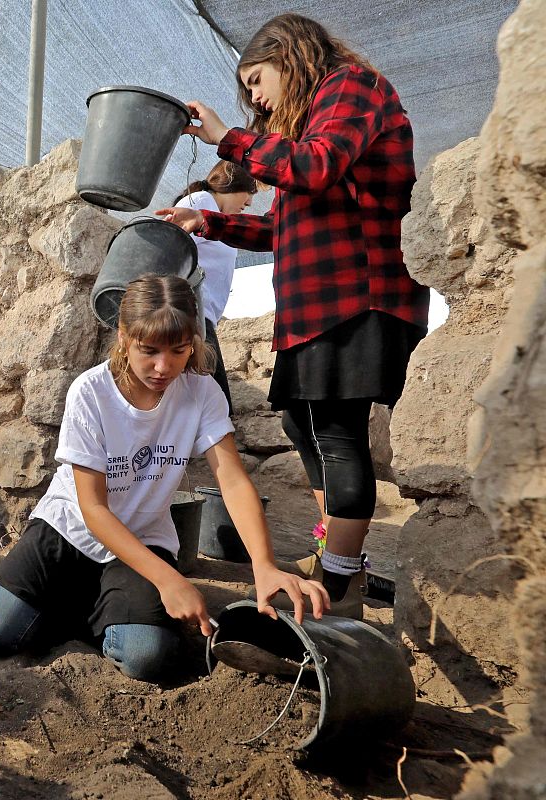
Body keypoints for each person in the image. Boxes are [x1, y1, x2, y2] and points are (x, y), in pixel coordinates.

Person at [154, 13, 430, 618]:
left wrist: (229, 138)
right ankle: (334, 558)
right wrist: (211, 223)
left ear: (290, 54)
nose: (253, 98)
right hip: (313, 303)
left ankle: (339, 581)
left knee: (336, 435)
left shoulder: (351, 87)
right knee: (306, 431)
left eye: (256, 80)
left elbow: (317, 166)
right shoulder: (312, 124)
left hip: (357, 294)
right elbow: (289, 225)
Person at [0, 275, 327, 681]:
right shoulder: (91, 393)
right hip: (67, 531)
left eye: (178, 350)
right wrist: (170, 582)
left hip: (141, 540)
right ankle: (97, 606)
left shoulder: (201, 392)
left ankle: (108, 607)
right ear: (124, 337)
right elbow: (93, 509)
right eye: (149, 351)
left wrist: (263, 566)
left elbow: (232, 478)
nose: (164, 367)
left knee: (146, 658)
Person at [170, 162, 258, 412]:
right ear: (231, 181)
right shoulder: (199, 201)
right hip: (191, 315)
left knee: (209, 408)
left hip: (202, 318)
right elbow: (168, 247)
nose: (250, 202)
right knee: (218, 410)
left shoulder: (217, 217)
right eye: (250, 191)